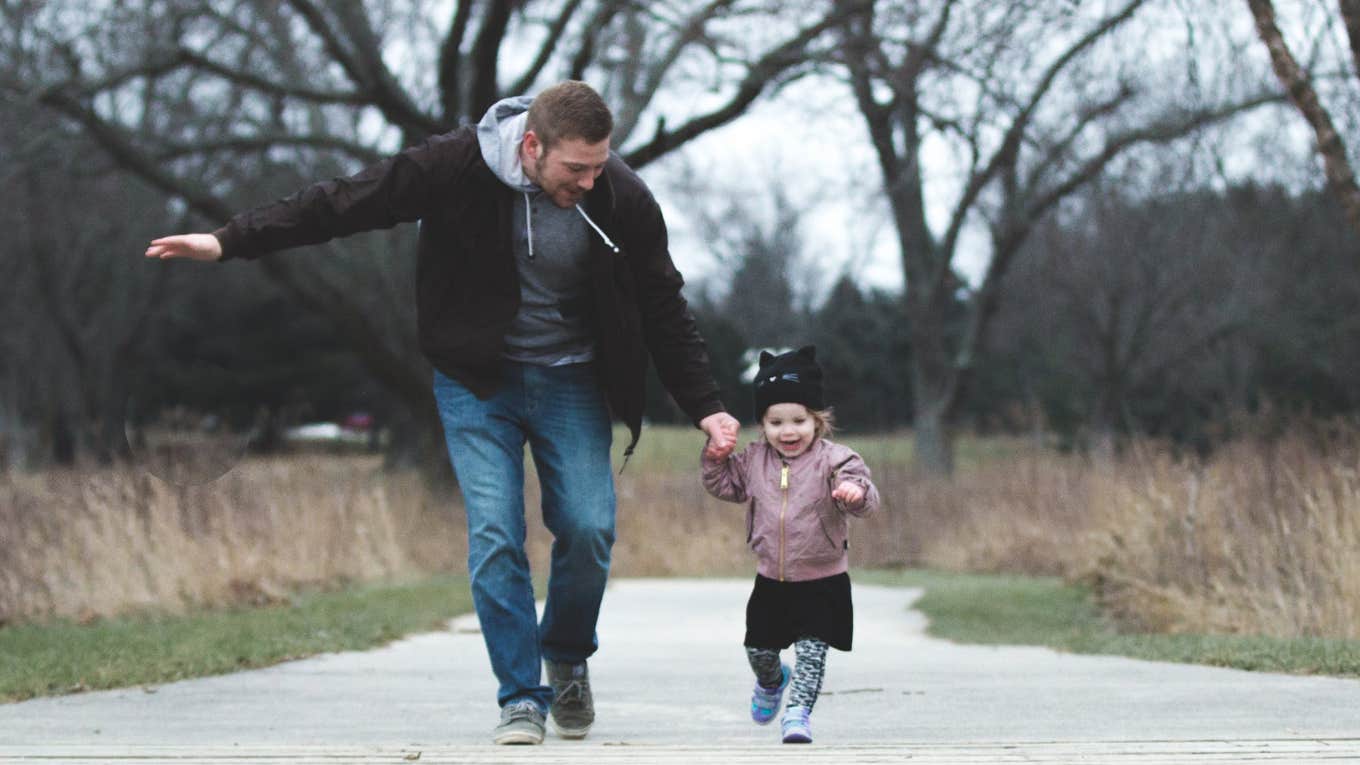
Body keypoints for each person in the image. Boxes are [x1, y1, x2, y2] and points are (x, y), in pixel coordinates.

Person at [145, 81, 740, 745]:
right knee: (495, 534)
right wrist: (229, 241)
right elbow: (345, 202)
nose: (589, 181)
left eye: (599, 165)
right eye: (576, 169)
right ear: (532, 144)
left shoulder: (620, 195)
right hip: (475, 379)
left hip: (570, 378)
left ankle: (567, 654)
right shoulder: (454, 165)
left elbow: (664, 303)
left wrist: (707, 408)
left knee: (589, 526)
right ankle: (521, 695)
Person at [700, 346, 880, 744]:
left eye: (799, 420)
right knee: (759, 652)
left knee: (813, 656)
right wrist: (715, 459)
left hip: (823, 580)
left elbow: (867, 496)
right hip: (771, 580)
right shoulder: (753, 461)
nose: (788, 431)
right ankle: (773, 680)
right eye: (775, 422)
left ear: (817, 420)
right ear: (762, 425)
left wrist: (854, 491)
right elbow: (723, 485)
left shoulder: (836, 460)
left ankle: (797, 715)